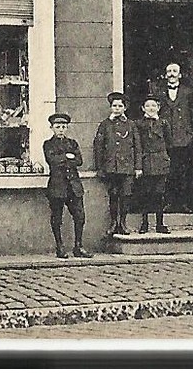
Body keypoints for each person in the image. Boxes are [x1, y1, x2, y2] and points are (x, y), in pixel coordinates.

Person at [148, 62, 193, 213]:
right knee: (167, 172)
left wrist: (190, 134)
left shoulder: (188, 92)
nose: (171, 74)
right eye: (169, 71)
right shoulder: (159, 93)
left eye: (175, 71)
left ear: (180, 74)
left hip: (183, 139)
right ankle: (168, 202)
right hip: (165, 139)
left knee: (183, 172)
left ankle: (183, 203)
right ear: (165, 75)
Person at [42, 113, 92, 258]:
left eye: (64, 127)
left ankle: (78, 246)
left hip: (73, 186)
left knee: (80, 216)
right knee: (57, 218)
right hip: (57, 186)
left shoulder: (72, 143)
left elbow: (79, 161)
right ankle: (60, 247)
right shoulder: (48, 144)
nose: (61, 130)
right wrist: (68, 157)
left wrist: (65, 158)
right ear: (52, 128)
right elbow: (52, 160)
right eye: (58, 127)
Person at [92, 92, 138, 237]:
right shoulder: (105, 125)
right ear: (111, 107)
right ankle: (113, 223)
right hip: (111, 167)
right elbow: (98, 146)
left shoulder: (131, 125)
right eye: (114, 106)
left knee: (125, 195)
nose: (117, 108)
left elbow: (138, 146)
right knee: (113, 195)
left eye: (120, 106)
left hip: (127, 167)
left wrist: (138, 167)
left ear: (124, 108)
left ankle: (123, 223)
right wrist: (100, 167)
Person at [131, 96, 171, 234]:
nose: (151, 108)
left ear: (158, 108)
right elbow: (137, 145)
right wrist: (139, 166)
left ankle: (160, 223)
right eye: (147, 106)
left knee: (159, 194)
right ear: (143, 108)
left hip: (160, 161)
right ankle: (145, 223)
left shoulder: (164, 123)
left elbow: (169, 142)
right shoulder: (138, 124)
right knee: (145, 193)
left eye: (154, 106)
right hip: (146, 162)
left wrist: (165, 158)